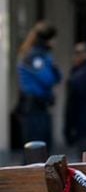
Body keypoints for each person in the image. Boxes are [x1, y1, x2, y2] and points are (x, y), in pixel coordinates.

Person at [16, 21, 61, 150]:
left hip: (39, 106)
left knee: (42, 149)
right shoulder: (34, 57)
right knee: (36, 150)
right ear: (46, 40)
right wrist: (54, 69)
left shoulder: (38, 55)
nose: (55, 43)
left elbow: (57, 77)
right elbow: (48, 79)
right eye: (53, 39)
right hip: (33, 107)